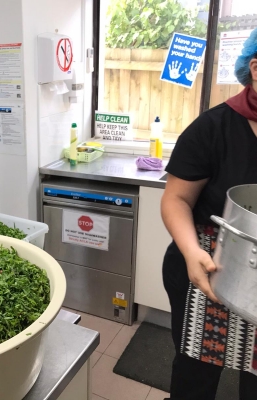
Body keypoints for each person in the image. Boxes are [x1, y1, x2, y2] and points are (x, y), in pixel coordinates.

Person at [161, 28, 257, 399]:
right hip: (208, 268)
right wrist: (190, 252)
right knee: (195, 381)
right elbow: (176, 199)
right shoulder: (213, 128)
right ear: (255, 69)